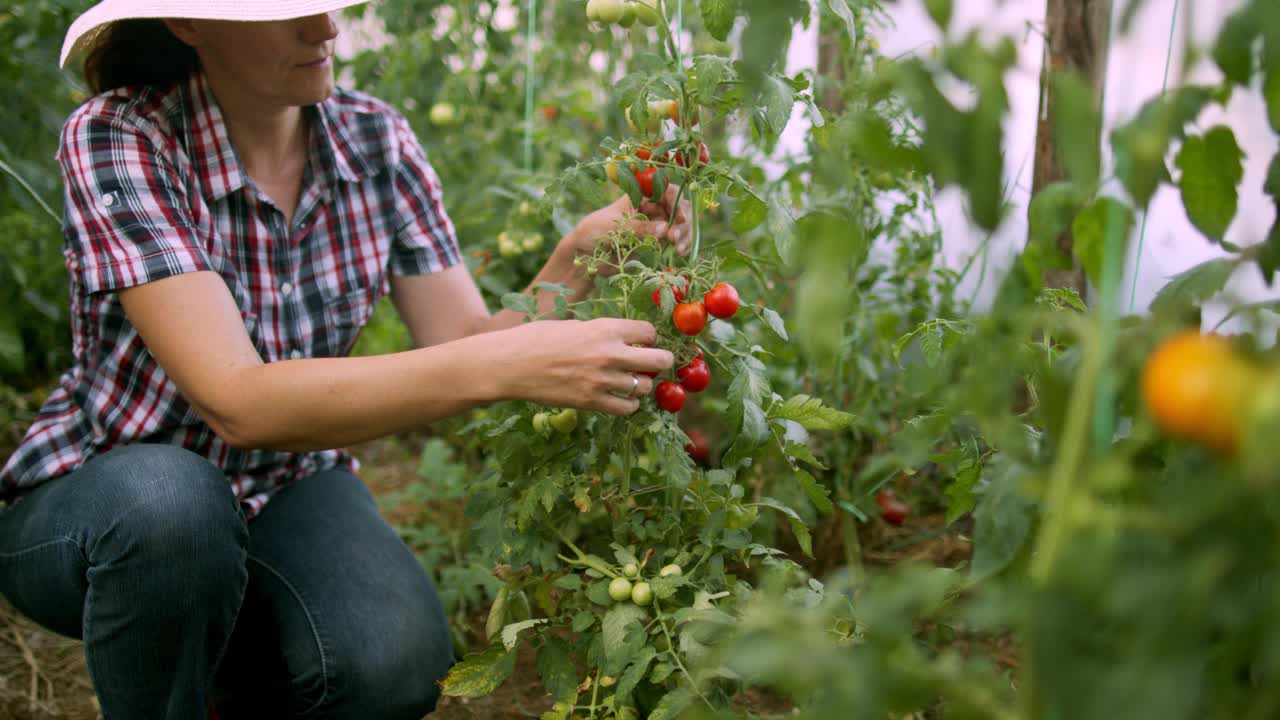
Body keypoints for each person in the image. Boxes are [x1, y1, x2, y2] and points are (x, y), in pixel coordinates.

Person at [0, 1, 689, 718]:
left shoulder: (375, 138)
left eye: (326, 5)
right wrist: (511, 364)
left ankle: (233, 675)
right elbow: (236, 401)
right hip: (109, 502)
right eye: (284, 13)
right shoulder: (121, 135)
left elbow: (462, 338)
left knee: (396, 662)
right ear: (188, 24)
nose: (325, 29)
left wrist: (581, 252)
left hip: (288, 485)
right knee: (170, 507)